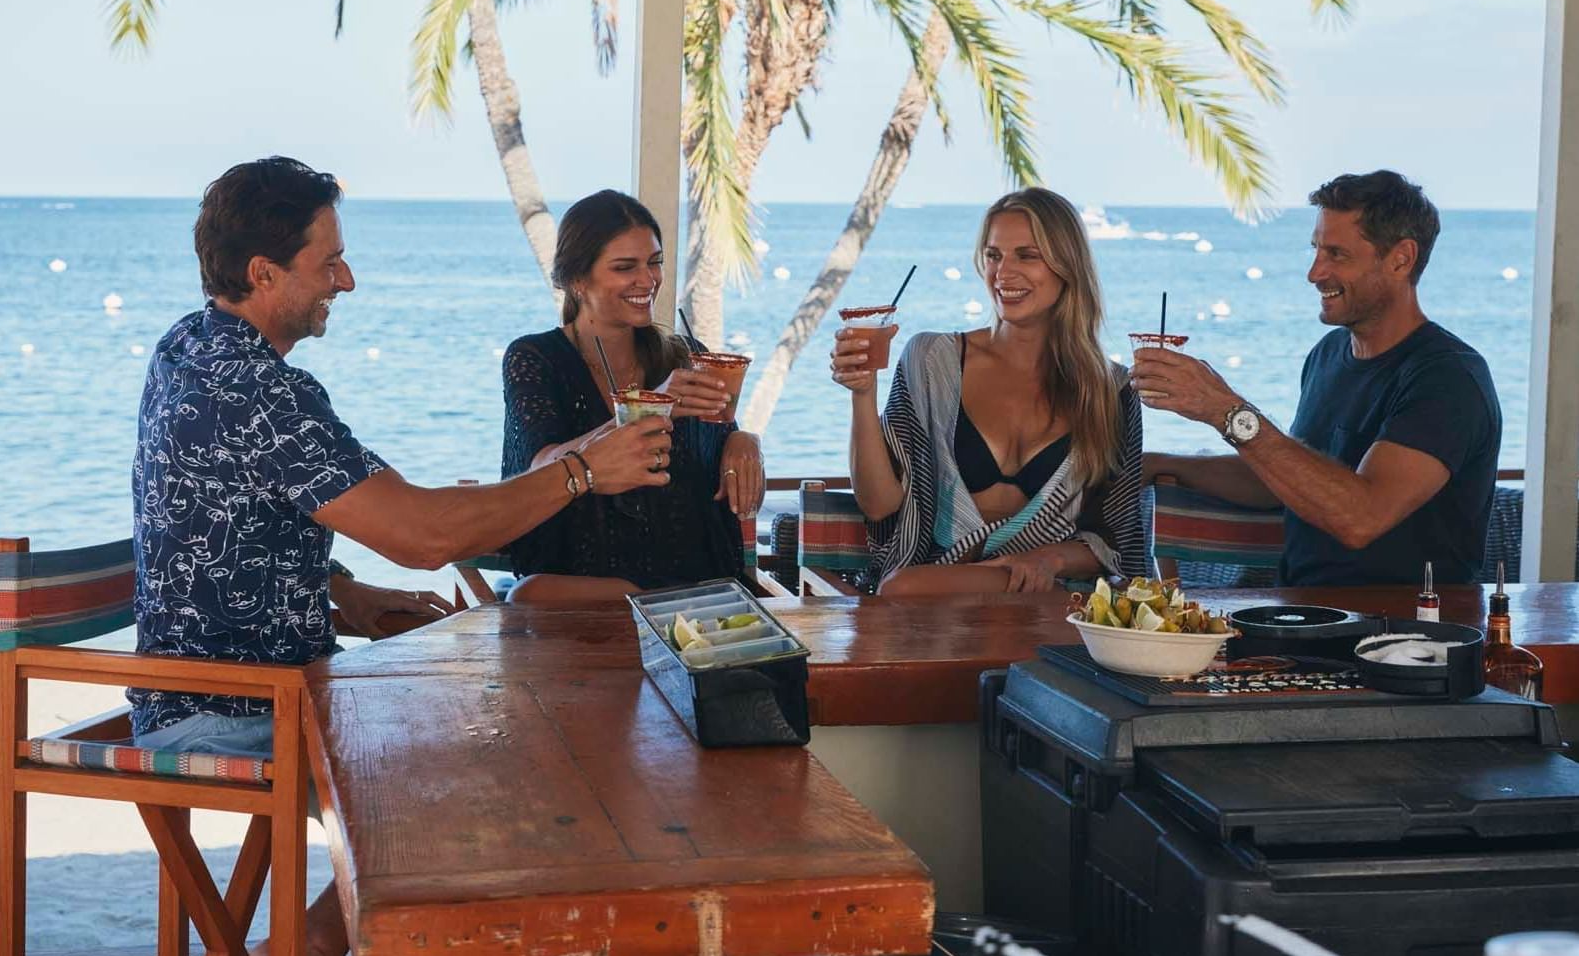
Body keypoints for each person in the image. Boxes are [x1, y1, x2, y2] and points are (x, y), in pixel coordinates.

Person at [132, 158, 668, 956]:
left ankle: (309, 943)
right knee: (494, 762)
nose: (345, 280)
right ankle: (316, 946)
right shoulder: (255, 391)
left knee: (486, 736)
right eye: (327, 262)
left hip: (253, 681)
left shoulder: (190, 347)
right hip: (232, 705)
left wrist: (355, 597)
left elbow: (225, 531)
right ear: (262, 272)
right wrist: (582, 469)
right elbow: (422, 532)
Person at [1134, 170, 1502, 587]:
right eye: (1316, 250)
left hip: (1406, 637)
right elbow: (1289, 480)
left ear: (1401, 258)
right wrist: (1158, 464)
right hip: (1306, 619)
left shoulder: (1448, 378)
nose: (1314, 272)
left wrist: (1225, 410)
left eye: (1337, 255)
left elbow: (1360, 518)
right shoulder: (1327, 356)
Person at [830, 188, 1144, 594]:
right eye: (994, 255)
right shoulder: (933, 361)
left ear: (1067, 266)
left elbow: (1117, 543)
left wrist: (1049, 558)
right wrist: (862, 394)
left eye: (1027, 256)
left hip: (1045, 601)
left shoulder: (1111, 390)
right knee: (901, 587)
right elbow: (880, 505)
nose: (1003, 273)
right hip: (929, 601)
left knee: (903, 588)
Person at [499, 190, 766, 604]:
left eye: (654, 262)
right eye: (626, 267)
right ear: (577, 280)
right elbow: (539, 468)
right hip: (584, 596)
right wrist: (650, 405)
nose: (648, 280)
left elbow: (719, 434)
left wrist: (744, 440)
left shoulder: (683, 355)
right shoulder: (536, 358)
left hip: (696, 592)